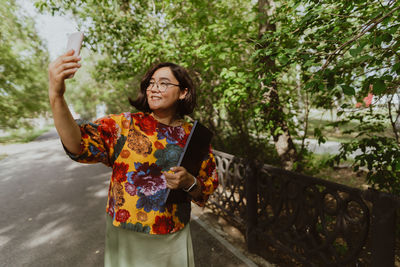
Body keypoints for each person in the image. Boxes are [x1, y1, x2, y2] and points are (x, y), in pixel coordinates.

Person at [48, 49, 219, 267]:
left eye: (164, 83)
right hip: (127, 235)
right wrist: (56, 95)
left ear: (183, 92)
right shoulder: (124, 125)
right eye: (151, 83)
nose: (154, 88)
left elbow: (204, 190)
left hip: (172, 234)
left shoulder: (195, 136)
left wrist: (189, 182)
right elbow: (77, 144)